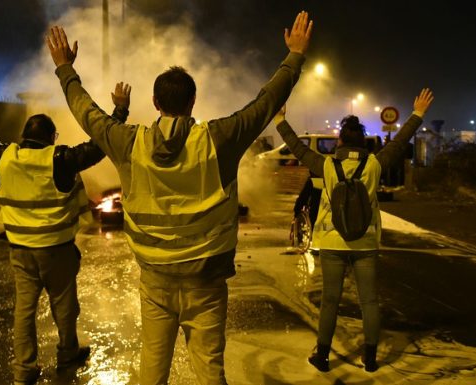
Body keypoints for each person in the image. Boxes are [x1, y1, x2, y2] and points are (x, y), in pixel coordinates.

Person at [44, 11, 313, 385]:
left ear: (155, 102)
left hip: (156, 281)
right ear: (193, 101)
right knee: (209, 370)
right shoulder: (218, 139)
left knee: (152, 370)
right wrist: (294, 57)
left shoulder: (129, 142)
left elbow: (86, 112)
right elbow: (264, 103)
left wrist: (64, 68)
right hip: (207, 282)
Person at [0, 83, 131, 385]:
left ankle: (24, 370)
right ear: (52, 138)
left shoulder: (6, 157)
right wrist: (120, 110)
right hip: (57, 250)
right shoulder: (60, 159)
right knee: (65, 307)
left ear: (24, 137)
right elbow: (100, 144)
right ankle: (67, 354)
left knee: (23, 312)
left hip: (20, 251)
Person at [273, 88, 434, 373]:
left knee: (330, 301)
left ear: (340, 141)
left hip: (332, 242)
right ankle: (370, 358)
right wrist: (418, 114)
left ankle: (322, 356)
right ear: (363, 142)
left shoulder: (327, 165)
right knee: (369, 301)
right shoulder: (374, 164)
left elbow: (297, 148)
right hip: (366, 242)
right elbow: (399, 143)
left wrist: (281, 121)